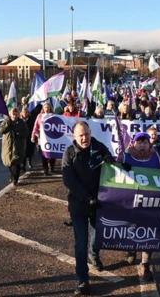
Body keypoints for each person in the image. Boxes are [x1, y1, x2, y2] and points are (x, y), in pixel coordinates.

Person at [62, 121, 114, 296]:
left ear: (91, 132)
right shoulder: (69, 154)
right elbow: (69, 180)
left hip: (99, 202)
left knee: (97, 235)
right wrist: (86, 197)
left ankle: (94, 253)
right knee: (80, 243)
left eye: (86, 134)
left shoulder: (100, 148)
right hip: (78, 205)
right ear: (74, 137)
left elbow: (113, 170)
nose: (84, 138)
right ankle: (83, 279)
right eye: (80, 135)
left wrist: (111, 161)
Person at [119, 132, 160, 281]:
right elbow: (113, 169)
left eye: (145, 142)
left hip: (149, 202)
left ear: (150, 144)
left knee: (148, 231)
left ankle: (145, 263)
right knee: (130, 227)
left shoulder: (155, 157)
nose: (142, 144)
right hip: (129, 202)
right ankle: (131, 248)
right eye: (139, 141)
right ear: (133, 143)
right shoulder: (126, 156)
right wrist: (119, 164)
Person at [0, 107, 29, 186]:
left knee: (16, 163)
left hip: (18, 146)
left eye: (16, 114)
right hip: (7, 146)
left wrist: (18, 135)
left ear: (18, 114)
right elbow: (0, 130)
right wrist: (7, 124)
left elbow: (26, 132)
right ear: (10, 114)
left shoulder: (21, 122)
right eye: (13, 114)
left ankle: (15, 179)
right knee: (9, 163)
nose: (14, 116)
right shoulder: (6, 121)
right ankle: (13, 176)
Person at [31, 103, 57, 175]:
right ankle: (45, 169)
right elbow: (35, 126)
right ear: (43, 108)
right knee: (44, 155)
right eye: (45, 107)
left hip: (52, 139)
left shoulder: (53, 116)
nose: (47, 109)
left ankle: (52, 166)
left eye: (48, 107)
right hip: (42, 139)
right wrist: (33, 136)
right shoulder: (40, 116)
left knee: (52, 154)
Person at [20, 107, 39, 171]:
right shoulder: (20, 120)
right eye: (24, 112)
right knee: (23, 152)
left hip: (30, 137)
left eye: (26, 112)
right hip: (22, 138)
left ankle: (29, 161)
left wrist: (34, 136)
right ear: (22, 113)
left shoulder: (31, 119)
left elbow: (34, 127)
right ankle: (23, 165)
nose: (25, 113)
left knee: (30, 151)